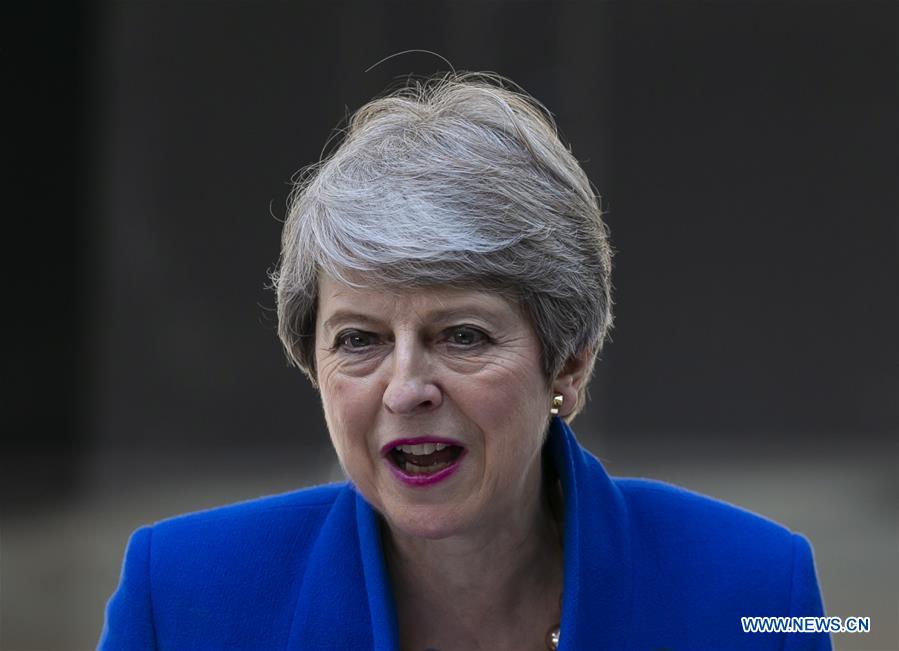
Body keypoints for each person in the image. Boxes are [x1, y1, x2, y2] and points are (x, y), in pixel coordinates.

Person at [99, 72, 830, 650]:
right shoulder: (182, 594)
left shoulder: (758, 593)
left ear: (568, 365)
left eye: (463, 336)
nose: (407, 388)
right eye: (360, 340)